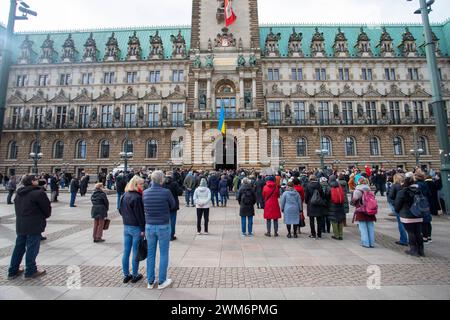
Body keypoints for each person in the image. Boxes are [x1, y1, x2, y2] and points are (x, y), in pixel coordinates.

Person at [8, 175, 51, 280]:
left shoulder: (19, 193)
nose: (38, 181)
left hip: (21, 224)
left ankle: (12, 271)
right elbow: (47, 210)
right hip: (34, 224)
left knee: (19, 247)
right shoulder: (39, 193)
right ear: (32, 182)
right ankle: (31, 271)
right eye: (36, 179)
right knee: (32, 247)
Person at [143, 171, 176, 290]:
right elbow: (173, 205)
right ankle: (162, 281)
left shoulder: (145, 193)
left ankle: (150, 281)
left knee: (151, 254)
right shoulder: (166, 192)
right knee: (163, 253)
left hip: (149, 226)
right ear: (161, 180)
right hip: (163, 225)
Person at [119, 175, 146, 283]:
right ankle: (135, 274)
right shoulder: (137, 197)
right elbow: (140, 216)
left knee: (126, 251)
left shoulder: (124, 195)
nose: (142, 186)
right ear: (135, 185)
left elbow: (120, 210)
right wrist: (143, 229)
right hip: (136, 227)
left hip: (126, 226)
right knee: (135, 252)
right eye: (141, 184)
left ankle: (126, 274)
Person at [394, 174, 425, 257]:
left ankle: (413, 250)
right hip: (418, 214)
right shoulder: (419, 190)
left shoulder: (402, 192)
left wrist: (398, 211)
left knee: (411, 232)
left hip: (407, 215)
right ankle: (421, 250)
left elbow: (397, 205)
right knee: (418, 232)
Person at [351, 177, 377, 248]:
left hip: (361, 210)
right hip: (370, 210)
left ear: (359, 182)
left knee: (363, 227)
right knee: (370, 227)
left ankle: (365, 243)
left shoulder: (358, 189)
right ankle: (371, 243)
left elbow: (354, 200)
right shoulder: (369, 189)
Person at [388, 173, 408, 246]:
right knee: (408, 224)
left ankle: (404, 240)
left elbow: (390, 196)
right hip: (408, 207)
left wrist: (395, 205)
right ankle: (410, 239)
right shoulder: (407, 185)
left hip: (399, 207)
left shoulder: (395, 186)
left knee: (401, 224)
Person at [163, 172, 183, 241]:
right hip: (173, 204)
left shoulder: (162, 183)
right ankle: (171, 235)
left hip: (164, 205)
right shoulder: (174, 183)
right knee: (172, 221)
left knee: (165, 221)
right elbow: (179, 193)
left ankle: (165, 234)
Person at [305, 175, 326, 239]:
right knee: (319, 220)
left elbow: (306, 196)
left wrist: (307, 202)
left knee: (311, 220)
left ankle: (313, 233)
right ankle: (319, 234)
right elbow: (322, 195)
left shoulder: (308, 186)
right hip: (318, 204)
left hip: (311, 204)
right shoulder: (319, 186)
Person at [414, 171, 433, 244]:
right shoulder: (425, 183)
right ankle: (429, 236)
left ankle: (424, 238)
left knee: (422, 221)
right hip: (426, 202)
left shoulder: (418, 185)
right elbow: (429, 193)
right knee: (427, 220)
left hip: (421, 203)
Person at [328, 175, 346, 240]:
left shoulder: (330, 187)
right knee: (340, 220)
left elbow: (327, 196)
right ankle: (341, 235)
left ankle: (336, 235)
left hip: (333, 205)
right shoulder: (339, 186)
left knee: (334, 220)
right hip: (340, 205)